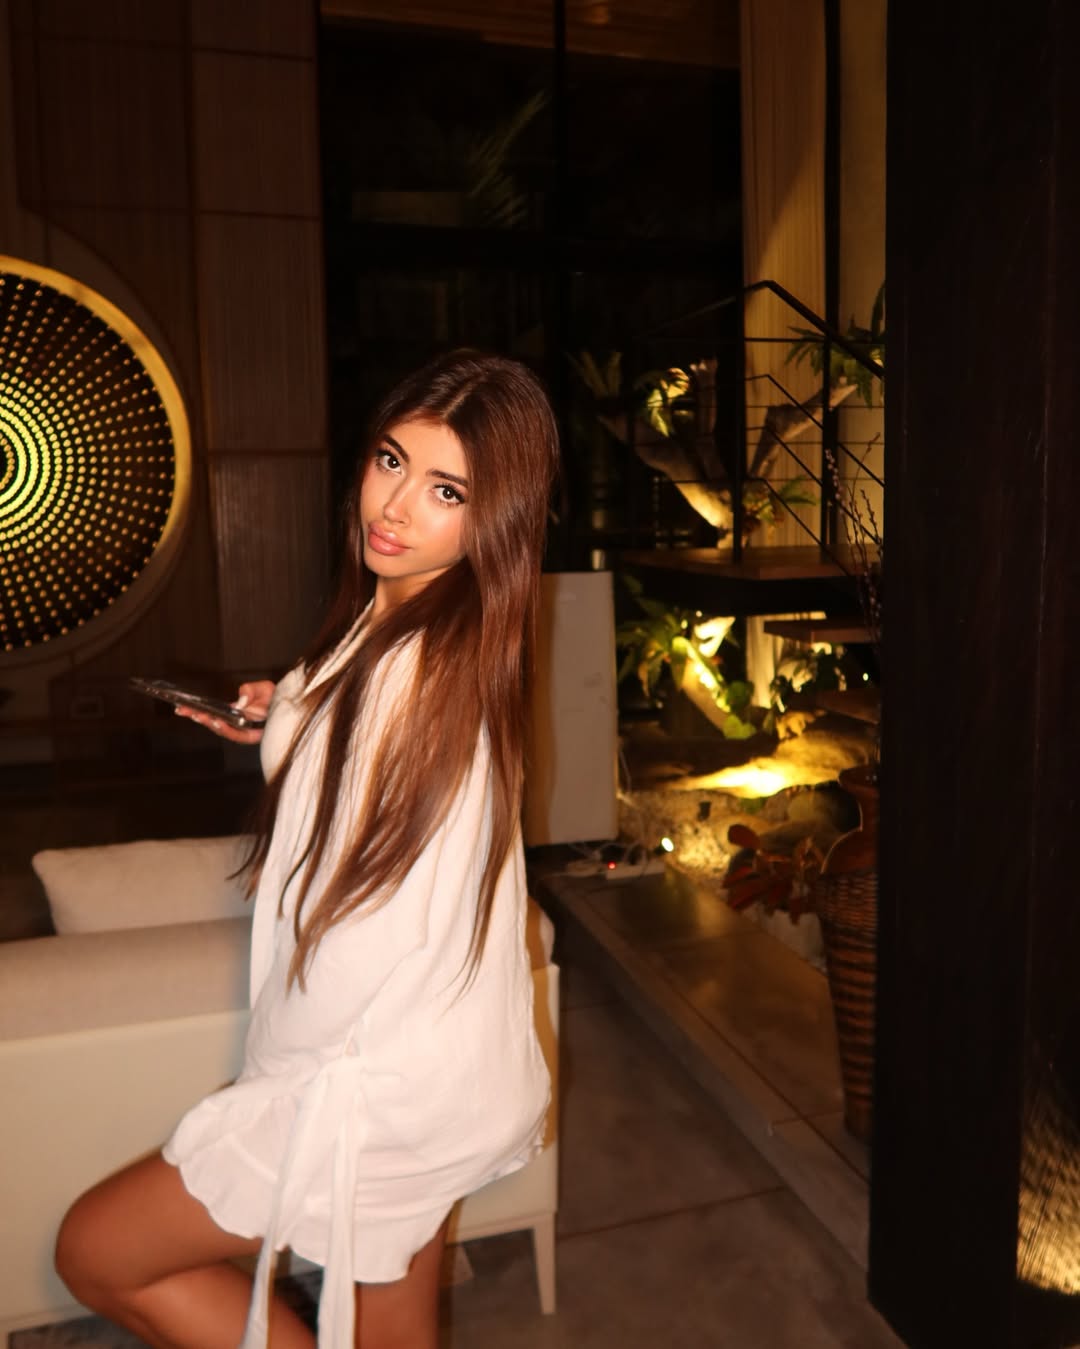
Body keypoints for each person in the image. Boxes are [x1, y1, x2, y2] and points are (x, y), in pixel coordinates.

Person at [54, 350, 561, 1349]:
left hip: (374, 1084)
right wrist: (287, 711)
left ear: (493, 519)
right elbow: (357, 735)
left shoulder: (417, 683)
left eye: (446, 490)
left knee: (96, 1250)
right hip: (440, 1065)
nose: (395, 506)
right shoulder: (428, 629)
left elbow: (370, 924)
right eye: (391, 461)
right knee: (387, 1318)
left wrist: (270, 1088)